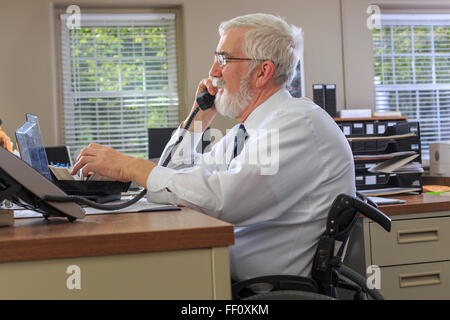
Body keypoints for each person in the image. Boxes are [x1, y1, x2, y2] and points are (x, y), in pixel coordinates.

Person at [71, 13, 355, 282]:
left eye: (224, 59)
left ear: (263, 72)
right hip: (224, 271)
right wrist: (197, 119)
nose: (213, 71)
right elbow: (175, 181)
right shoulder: (246, 132)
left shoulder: (296, 125)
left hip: (261, 288)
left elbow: (223, 201)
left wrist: (132, 166)